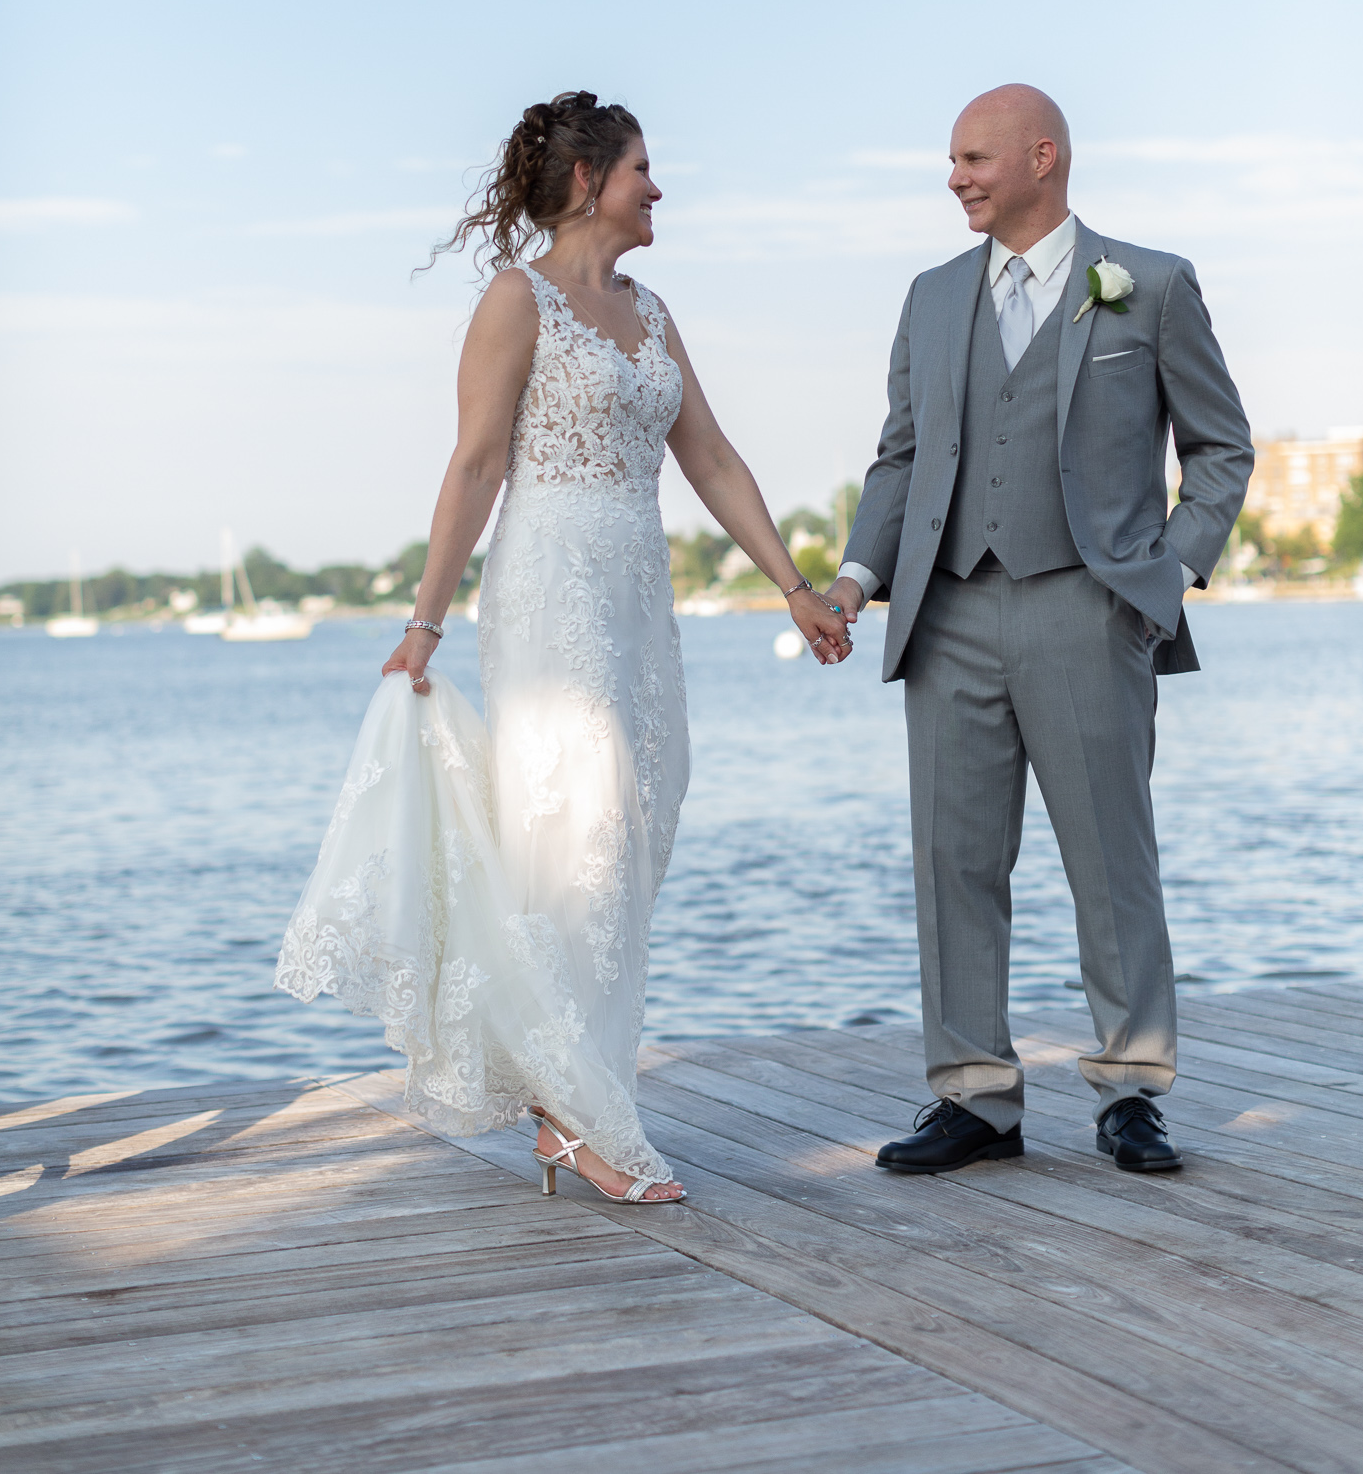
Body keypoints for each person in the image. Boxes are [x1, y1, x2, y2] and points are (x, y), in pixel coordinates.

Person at [275, 91, 850, 1204]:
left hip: (639, 596)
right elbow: (475, 464)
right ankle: (584, 1115)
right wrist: (423, 620)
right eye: (643, 168)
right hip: (549, 589)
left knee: (633, 833)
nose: (658, 187)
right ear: (589, 181)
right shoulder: (514, 300)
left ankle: (565, 1091)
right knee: (572, 837)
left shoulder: (652, 308)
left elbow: (713, 458)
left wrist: (791, 586)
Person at [826, 85, 1253, 1175]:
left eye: (972, 158)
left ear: (1040, 157)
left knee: (1109, 858)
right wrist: (852, 575)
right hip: (948, 609)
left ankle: (1129, 1087)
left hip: (1088, 604)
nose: (956, 177)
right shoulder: (927, 297)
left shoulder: (1146, 284)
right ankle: (973, 1094)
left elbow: (1219, 449)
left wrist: (1165, 574)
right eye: (952, 161)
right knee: (953, 859)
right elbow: (900, 454)